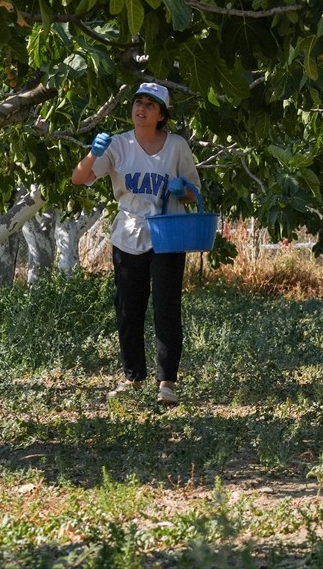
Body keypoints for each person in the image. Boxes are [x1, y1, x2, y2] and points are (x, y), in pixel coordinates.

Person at [70, 82, 201, 405]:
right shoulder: (117, 145)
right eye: (137, 102)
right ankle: (133, 377)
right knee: (129, 308)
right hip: (127, 233)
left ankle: (166, 383)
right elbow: (79, 179)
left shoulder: (177, 147)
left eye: (150, 105)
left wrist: (180, 187)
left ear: (161, 115)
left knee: (166, 307)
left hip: (168, 233)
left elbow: (194, 192)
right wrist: (93, 154)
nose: (140, 109)